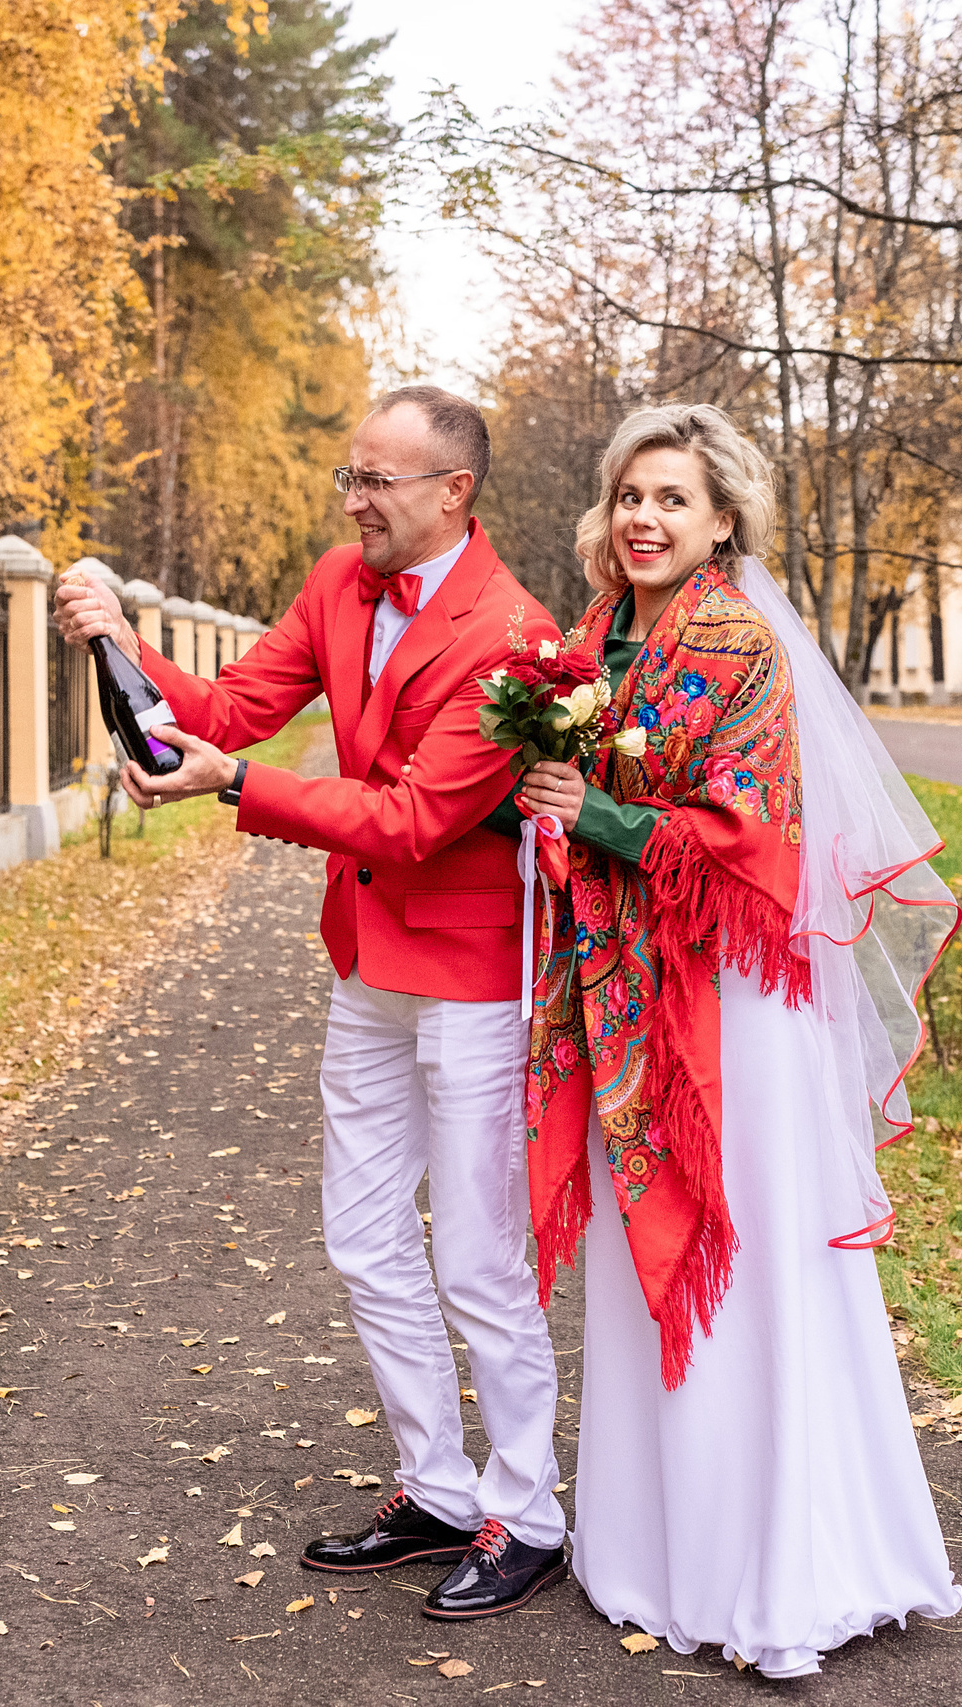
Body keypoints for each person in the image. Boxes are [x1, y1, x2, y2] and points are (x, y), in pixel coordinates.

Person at [53, 386, 573, 1620]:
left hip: (473, 977)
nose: (354, 503)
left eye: (377, 481)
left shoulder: (517, 634)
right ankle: (435, 1488)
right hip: (366, 964)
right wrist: (118, 640)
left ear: (454, 491)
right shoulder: (341, 582)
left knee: (481, 1261)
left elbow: (414, 821)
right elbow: (232, 709)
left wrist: (236, 785)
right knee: (363, 1237)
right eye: (350, 476)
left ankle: (528, 1515)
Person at [510, 402, 962, 1674]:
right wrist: (538, 804)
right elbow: (571, 795)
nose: (644, 518)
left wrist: (598, 818)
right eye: (630, 496)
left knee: (747, 1248)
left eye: (673, 499)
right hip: (623, 988)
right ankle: (653, 1551)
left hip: (726, 1001)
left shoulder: (740, 644)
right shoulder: (590, 640)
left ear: (722, 523)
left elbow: (755, 836)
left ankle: (779, 1566)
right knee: (631, 1254)